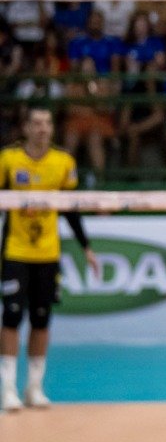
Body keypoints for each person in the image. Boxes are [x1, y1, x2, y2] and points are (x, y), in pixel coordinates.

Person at [1, 108, 98, 411]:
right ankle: (8, 389)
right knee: (11, 317)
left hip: (47, 253)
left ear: (53, 129)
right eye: (36, 123)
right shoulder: (8, 159)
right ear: (26, 128)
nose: (42, 128)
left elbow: (70, 210)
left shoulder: (63, 162)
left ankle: (34, 388)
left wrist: (86, 247)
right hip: (15, 251)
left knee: (41, 319)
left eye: (47, 123)